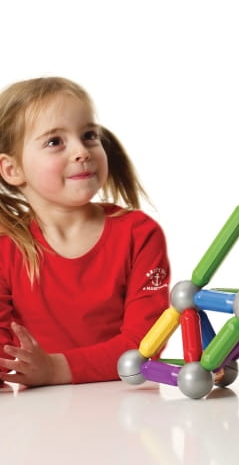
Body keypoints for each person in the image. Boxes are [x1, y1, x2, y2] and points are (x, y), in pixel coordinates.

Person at [0, 77, 170, 386]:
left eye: (89, 135)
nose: (82, 151)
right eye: (55, 142)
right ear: (13, 170)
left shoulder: (139, 234)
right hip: (41, 411)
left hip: (127, 403)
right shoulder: (5, 249)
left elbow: (145, 346)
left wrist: (54, 370)